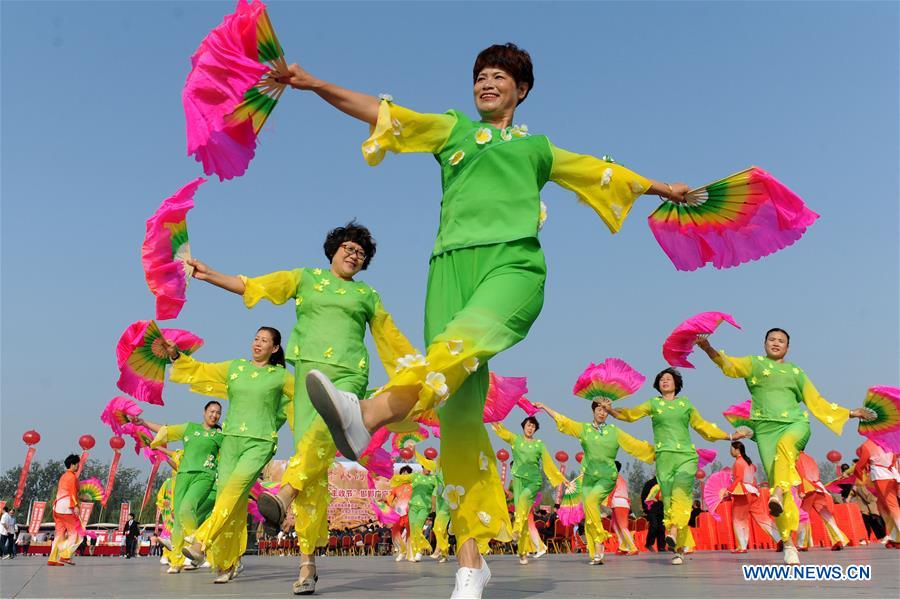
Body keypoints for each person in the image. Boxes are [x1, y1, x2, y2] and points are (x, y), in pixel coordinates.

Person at [278, 42, 692, 598]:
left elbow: (601, 172)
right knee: (459, 420)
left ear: (521, 90)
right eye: (480, 76)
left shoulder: (537, 149)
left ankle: (374, 411)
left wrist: (664, 188)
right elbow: (383, 115)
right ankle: (470, 562)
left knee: (460, 343)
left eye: (499, 76)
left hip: (512, 266)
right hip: (447, 273)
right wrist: (314, 84)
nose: (486, 84)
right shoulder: (450, 132)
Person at [186, 222, 416, 595]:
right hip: (309, 378)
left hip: (347, 378)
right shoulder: (305, 279)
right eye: (349, 247)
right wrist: (208, 274)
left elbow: (392, 339)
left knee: (319, 441)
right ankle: (307, 561)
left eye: (361, 252)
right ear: (333, 250)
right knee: (313, 466)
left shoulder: (368, 296)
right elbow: (254, 286)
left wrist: (423, 375)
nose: (354, 254)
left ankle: (282, 495)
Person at [696, 328, 873, 564]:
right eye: (772, 339)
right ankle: (789, 543)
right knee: (780, 479)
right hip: (766, 430)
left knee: (785, 449)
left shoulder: (795, 372)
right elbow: (729, 365)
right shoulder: (754, 364)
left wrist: (851, 413)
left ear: (787, 348)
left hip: (794, 424)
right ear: (765, 343)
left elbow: (817, 402)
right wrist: (708, 348)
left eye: (781, 341)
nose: (776, 343)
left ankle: (777, 492)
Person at [168, 327, 293, 583]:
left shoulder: (280, 376)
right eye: (256, 338)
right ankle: (228, 562)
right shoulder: (235, 368)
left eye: (265, 341)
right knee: (230, 501)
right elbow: (203, 370)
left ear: (275, 348)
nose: (258, 343)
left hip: (259, 442)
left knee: (233, 490)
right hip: (231, 442)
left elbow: (302, 400)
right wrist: (176, 357)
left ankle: (201, 542)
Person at [607, 368, 744, 565]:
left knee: (681, 493)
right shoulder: (654, 404)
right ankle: (678, 550)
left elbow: (702, 426)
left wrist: (729, 436)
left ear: (676, 384)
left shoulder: (685, 404)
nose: (665, 381)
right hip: (664, 458)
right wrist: (611, 410)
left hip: (686, 456)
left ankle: (672, 531)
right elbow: (631, 415)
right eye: (661, 378)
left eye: (668, 378)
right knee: (670, 500)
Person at [535, 400, 654, 565]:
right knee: (590, 515)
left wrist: (657, 454)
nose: (602, 412)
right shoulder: (584, 429)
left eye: (605, 410)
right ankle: (595, 552)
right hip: (589, 478)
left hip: (607, 477)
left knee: (591, 502)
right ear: (593, 411)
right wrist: (545, 407)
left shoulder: (614, 431)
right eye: (599, 409)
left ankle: (599, 545)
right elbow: (564, 421)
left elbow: (634, 445)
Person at [135, 400, 224, 573]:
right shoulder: (189, 428)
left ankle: (198, 544)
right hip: (183, 476)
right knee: (177, 522)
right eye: (211, 411)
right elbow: (166, 431)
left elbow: (232, 452)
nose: (214, 415)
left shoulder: (220, 436)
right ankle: (176, 561)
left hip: (204, 476)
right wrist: (144, 422)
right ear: (204, 412)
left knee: (186, 508)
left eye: (218, 412)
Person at [492, 416, 565, 565]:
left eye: (533, 426)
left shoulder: (539, 444)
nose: (530, 428)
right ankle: (522, 552)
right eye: (528, 425)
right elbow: (502, 432)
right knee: (523, 515)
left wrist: (562, 479)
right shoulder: (516, 439)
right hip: (518, 479)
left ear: (535, 429)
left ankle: (516, 530)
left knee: (524, 499)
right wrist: (493, 419)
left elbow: (548, 463)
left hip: (533, 481)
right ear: (523, 426)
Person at [728, 441, 779, 552]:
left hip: (743, 493)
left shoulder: (738, 462)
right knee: (762, 518)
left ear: (737, 450)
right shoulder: (748, 462)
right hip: (753, 492)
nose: (730, 451)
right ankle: (779, 538)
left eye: (731, 448)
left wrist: (729, 491)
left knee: (739, 519)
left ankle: (742, 546)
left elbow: (738, 478)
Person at [795, 452, 850, 550]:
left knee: (803, 515)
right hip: (819, 487)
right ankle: (839, 540)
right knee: (827, 516)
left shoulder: (796, 457)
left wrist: (801, 489)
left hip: (809, 487)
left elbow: (801, 474)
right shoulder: (810, 458)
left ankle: (802, 544)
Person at [854, 438, 900, 547]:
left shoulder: (867, 445)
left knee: (892, 506)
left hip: (881, 476)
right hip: (892, 475)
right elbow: (894, 459)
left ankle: (896, 535)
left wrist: (859, 472)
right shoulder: (888, 442)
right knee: (882, 506)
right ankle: (895, 536)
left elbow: (861, 462)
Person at [47, 455, 83, 565]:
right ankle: (65, 555)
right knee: (76, 534)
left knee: (60, 534)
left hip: (57, 508)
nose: (78, 466)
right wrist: (76, 506)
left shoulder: (63, 476)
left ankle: (53, 559)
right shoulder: (72, 477)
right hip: (67, 508)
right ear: (72, 465)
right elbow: (72, 492)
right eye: (77, 464)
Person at [606, 462, 639, 555]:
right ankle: (623, 546)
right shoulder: (620, 478)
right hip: (619, 503)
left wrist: (607, 501)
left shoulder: (614, 477)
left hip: (619, 502)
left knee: (622, 526)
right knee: (615, 525)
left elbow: (611, 490)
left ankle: (632, 547)